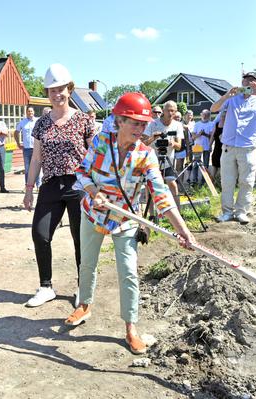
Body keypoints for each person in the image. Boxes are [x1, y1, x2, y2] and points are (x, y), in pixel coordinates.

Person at [64, 93, 195, 355]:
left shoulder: (146, 156)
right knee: (87, 263)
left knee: (129, 272)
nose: (141, 129)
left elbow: (161, 196)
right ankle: (84, 304)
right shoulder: (103, 141)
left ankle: (130, 328)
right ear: (119, 120)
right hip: (93, 214)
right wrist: (93, 192)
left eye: (144, 124)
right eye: (134, 123)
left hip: (125, 219)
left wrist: (184, 231)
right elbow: (82, 172)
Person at [23, 63, 93, 308]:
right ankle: (45, 287)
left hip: (78, 185)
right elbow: (36, 158)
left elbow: (94, 155)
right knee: (40, 234)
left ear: (69, 89)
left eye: (61, 88)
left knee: (80, 239)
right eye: (52, 90)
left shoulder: (83, 120)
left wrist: (99, 187)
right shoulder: (41, 124)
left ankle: (83, 288)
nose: (57, 94)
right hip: (51, 184)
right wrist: (29, 189)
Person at [210, 72, 256, 224]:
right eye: (245, 81)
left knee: (246, 181)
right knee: (227, 181)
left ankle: (241, 211)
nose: (247, 84)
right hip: (228, 147)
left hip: (248, 148)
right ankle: (227, 212)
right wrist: (227, 95)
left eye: (252, 82)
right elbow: (213, 108)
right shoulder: (232, 98)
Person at [142, 100, 184, 207]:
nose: (170, 113)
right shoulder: (153, 123)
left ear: (175, 112)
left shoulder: (178, 125)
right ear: (163, 111)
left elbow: (179, 146)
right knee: (150, 187)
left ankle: (178, 211)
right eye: (168, 110)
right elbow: (143, 144)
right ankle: (151, 215)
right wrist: (153, 138)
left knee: (172, 184)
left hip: (167, 159)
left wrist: (171, 143)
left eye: (173, 111)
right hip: (153, 160)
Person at [15, 107, 41, 188]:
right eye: (28, 111)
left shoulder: (38, 121)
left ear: (34, 112)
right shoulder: (23, 122)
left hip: (36, 148)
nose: (30, 112)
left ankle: (38, 186)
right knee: (27, 169)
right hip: (26, 149)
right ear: (26, 112)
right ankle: (28, 186)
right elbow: (16, 132)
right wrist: (18, 143)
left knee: (37, 168)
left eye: (31, 111)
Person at [190, 109, 214, 186]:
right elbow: (193, 137)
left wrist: (205, 134)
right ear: (201, 115)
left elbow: (212, 136)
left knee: (205, 165)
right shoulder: (197, 124)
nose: (205, 116)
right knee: (195, 164)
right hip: (197, 147)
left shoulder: (212, 124)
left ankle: (204, 181)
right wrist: (199, 134)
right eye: (203, 114)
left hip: (207, 146)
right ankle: (194, 181)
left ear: (209, 116)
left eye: (207, 115)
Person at [175, 110, 194, 178]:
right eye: (188, 114)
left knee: (188, 161)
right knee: (178, 165)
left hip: (189, 146)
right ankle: (177, 179)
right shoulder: (180, 124)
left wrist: (188, 148)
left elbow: (188, 138)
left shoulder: (193, 124)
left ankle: (188, 178)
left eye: (191, 115)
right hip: (180, 146)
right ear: (184, 116)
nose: (189, 116)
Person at [209, 110, 225, 181]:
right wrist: (209, 145)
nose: (222, 117)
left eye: (224, 116)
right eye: (222, 115)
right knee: (214, 162)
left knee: (223, 165)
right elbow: (212, 135)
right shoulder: (216, 124)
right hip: (216, 147)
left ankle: (220, 182)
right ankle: (212, 181)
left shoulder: (228, 125)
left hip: (225, 148)